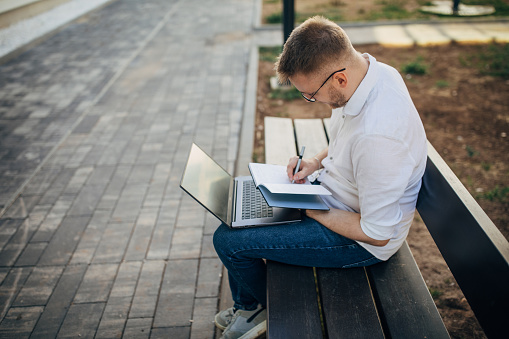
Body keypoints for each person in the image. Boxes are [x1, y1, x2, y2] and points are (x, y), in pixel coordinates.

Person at [213, 15, 427, 339]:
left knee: (227, 241)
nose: (312, 102)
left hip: (358, 242)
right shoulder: (372, 74)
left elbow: (378, 233)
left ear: (339, 79)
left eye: (311, 94)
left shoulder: (379, 138)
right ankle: (248, 304)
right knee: (235, 210)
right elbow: (347, 139)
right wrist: (314, 161)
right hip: (329, 196)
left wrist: (308, 208)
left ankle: (260, 306)